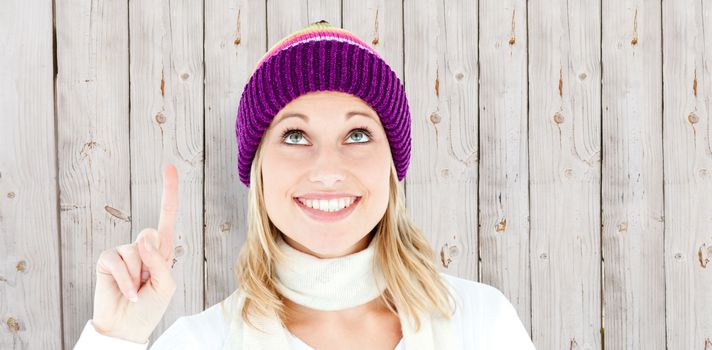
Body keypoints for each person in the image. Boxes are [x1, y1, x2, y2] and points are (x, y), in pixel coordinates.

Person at [74, 20, 536, 350]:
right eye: (295, 136)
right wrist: (114, 339)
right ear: (259, 171)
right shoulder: (201, 342)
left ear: (392, 166)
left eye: (357, 134)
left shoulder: (483, 324)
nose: (328, 168)